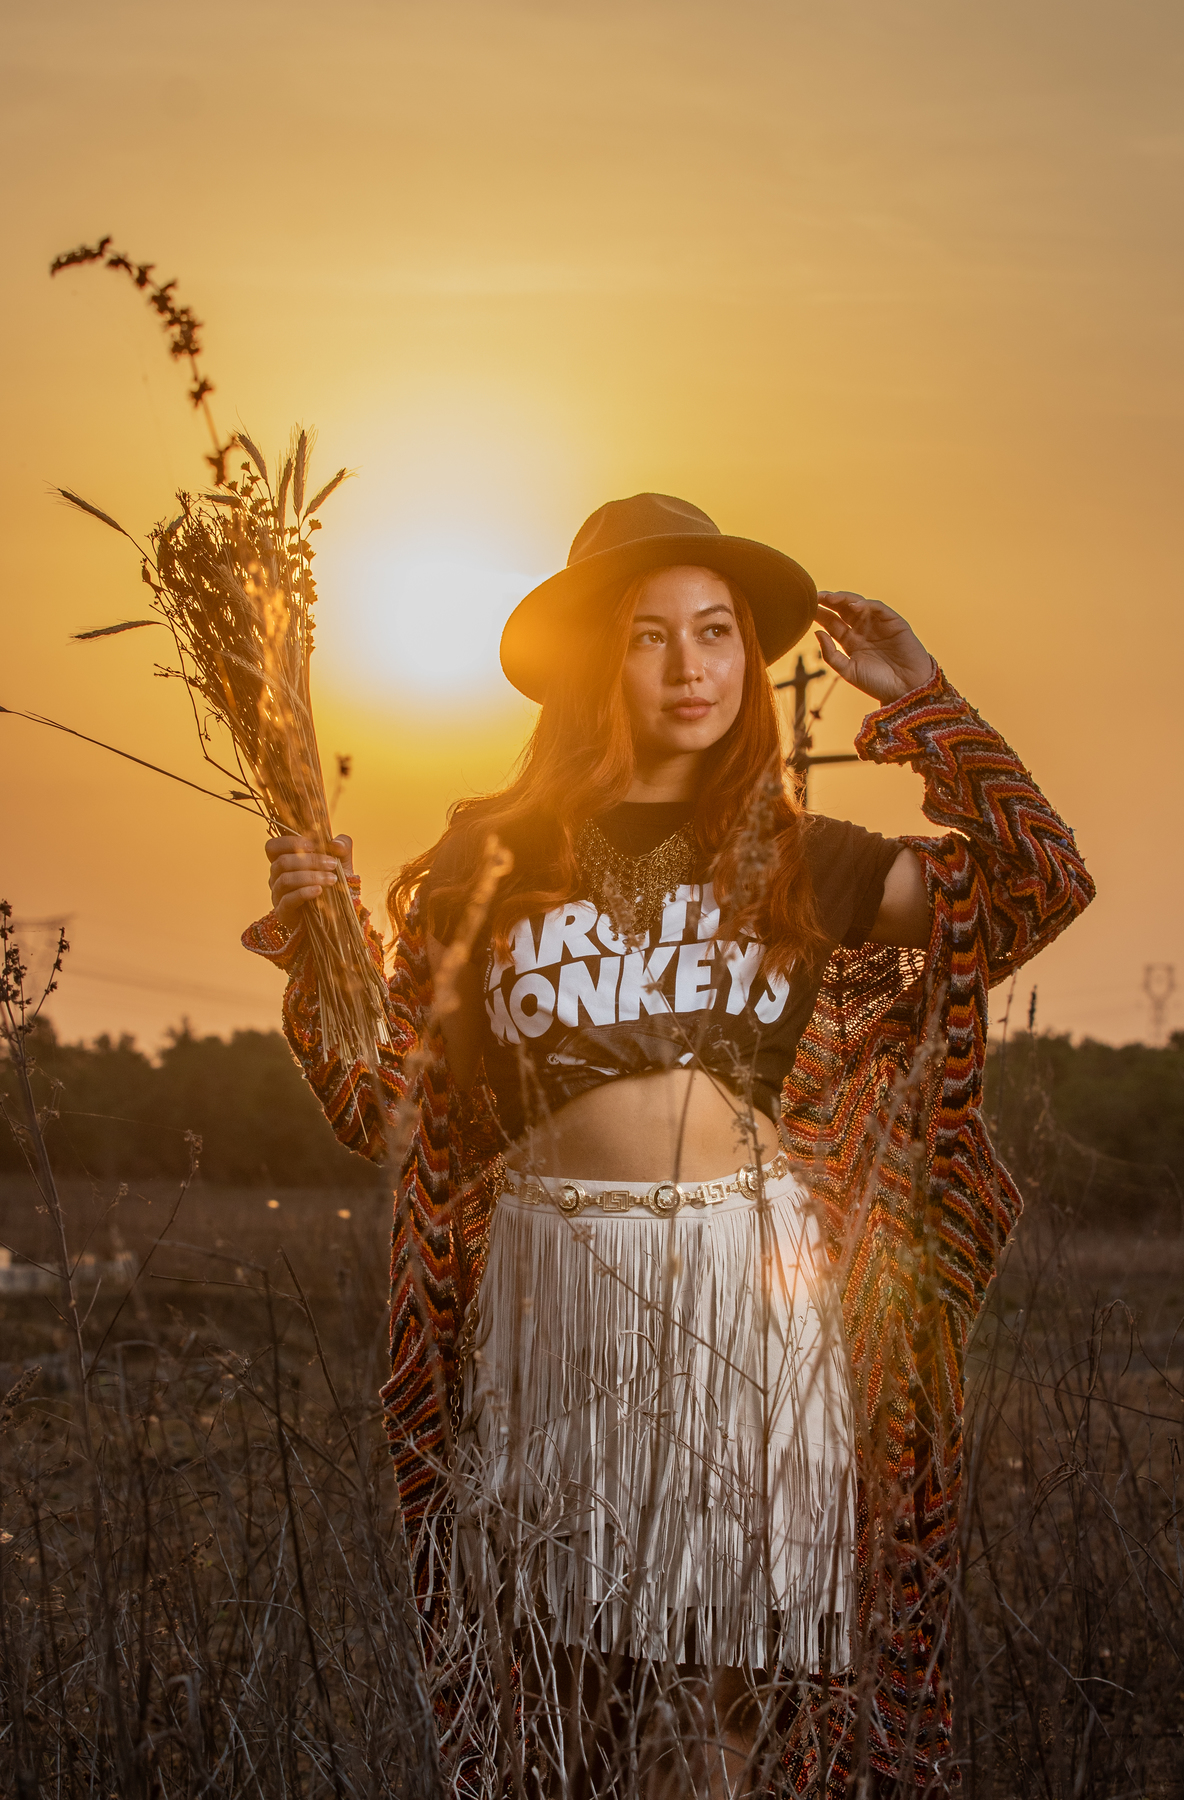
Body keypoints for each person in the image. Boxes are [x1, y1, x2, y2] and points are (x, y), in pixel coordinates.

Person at [244, 493, 1094, 1797]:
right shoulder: (484, 866)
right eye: (649, 634)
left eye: (716, 633)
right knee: (568, 1724)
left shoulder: (799, 860)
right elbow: (388, 1110)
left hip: (751, 1317)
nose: (690, 666)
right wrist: (324, 955)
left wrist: (927, 699)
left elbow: (1040, 883)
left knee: (724, 1728)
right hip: (554, 1316)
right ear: (594, 661)